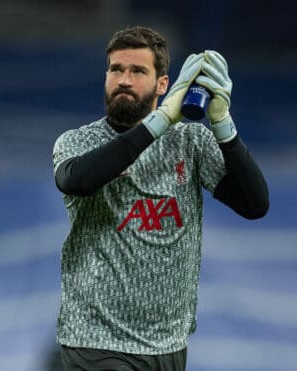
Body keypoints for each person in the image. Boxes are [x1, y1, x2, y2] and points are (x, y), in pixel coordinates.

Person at [52, 26, 269, 371]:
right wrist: (162, 119)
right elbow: (77, 180)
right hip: (96, 342)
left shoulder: (191, 143)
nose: (124, 79)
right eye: (116, 69)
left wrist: (223, 123)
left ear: (164, 84)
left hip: (169, 344)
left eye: (138, 71)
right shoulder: (79, 142)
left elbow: (255, 205)